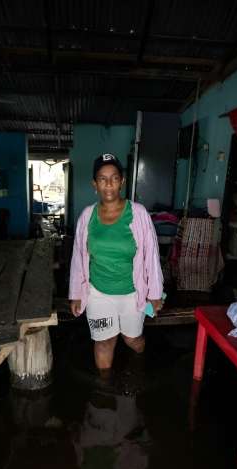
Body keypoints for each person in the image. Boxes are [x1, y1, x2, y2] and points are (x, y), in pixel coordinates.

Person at [69, 153, 164, 375]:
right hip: (98, 292)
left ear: (122, 181)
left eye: (114, 178)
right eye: (102, 179)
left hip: (132, 292)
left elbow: (151, 255)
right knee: (104, 342)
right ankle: (104, 388)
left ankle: (140, 361)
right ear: (94, 184)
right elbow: (78, 257)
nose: (109, 184)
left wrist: (155, 293)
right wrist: (76, 293)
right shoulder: (87, 216)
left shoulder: (138, 213)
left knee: (132, 339)